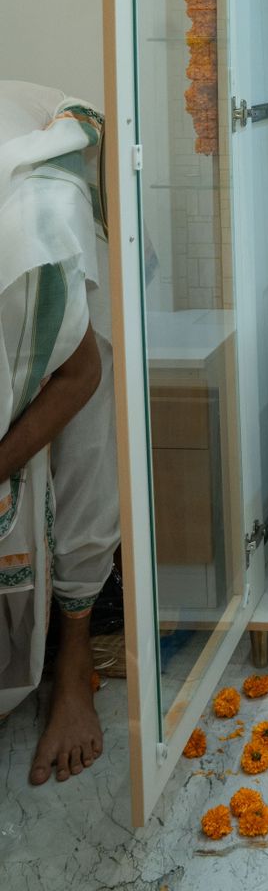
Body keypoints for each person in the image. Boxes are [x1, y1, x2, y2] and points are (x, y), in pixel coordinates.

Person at [0, 81, 120, 784]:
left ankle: (72, 666)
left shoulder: (34, 231)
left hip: (59, 319)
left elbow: (77, 378)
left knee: (84, 442)